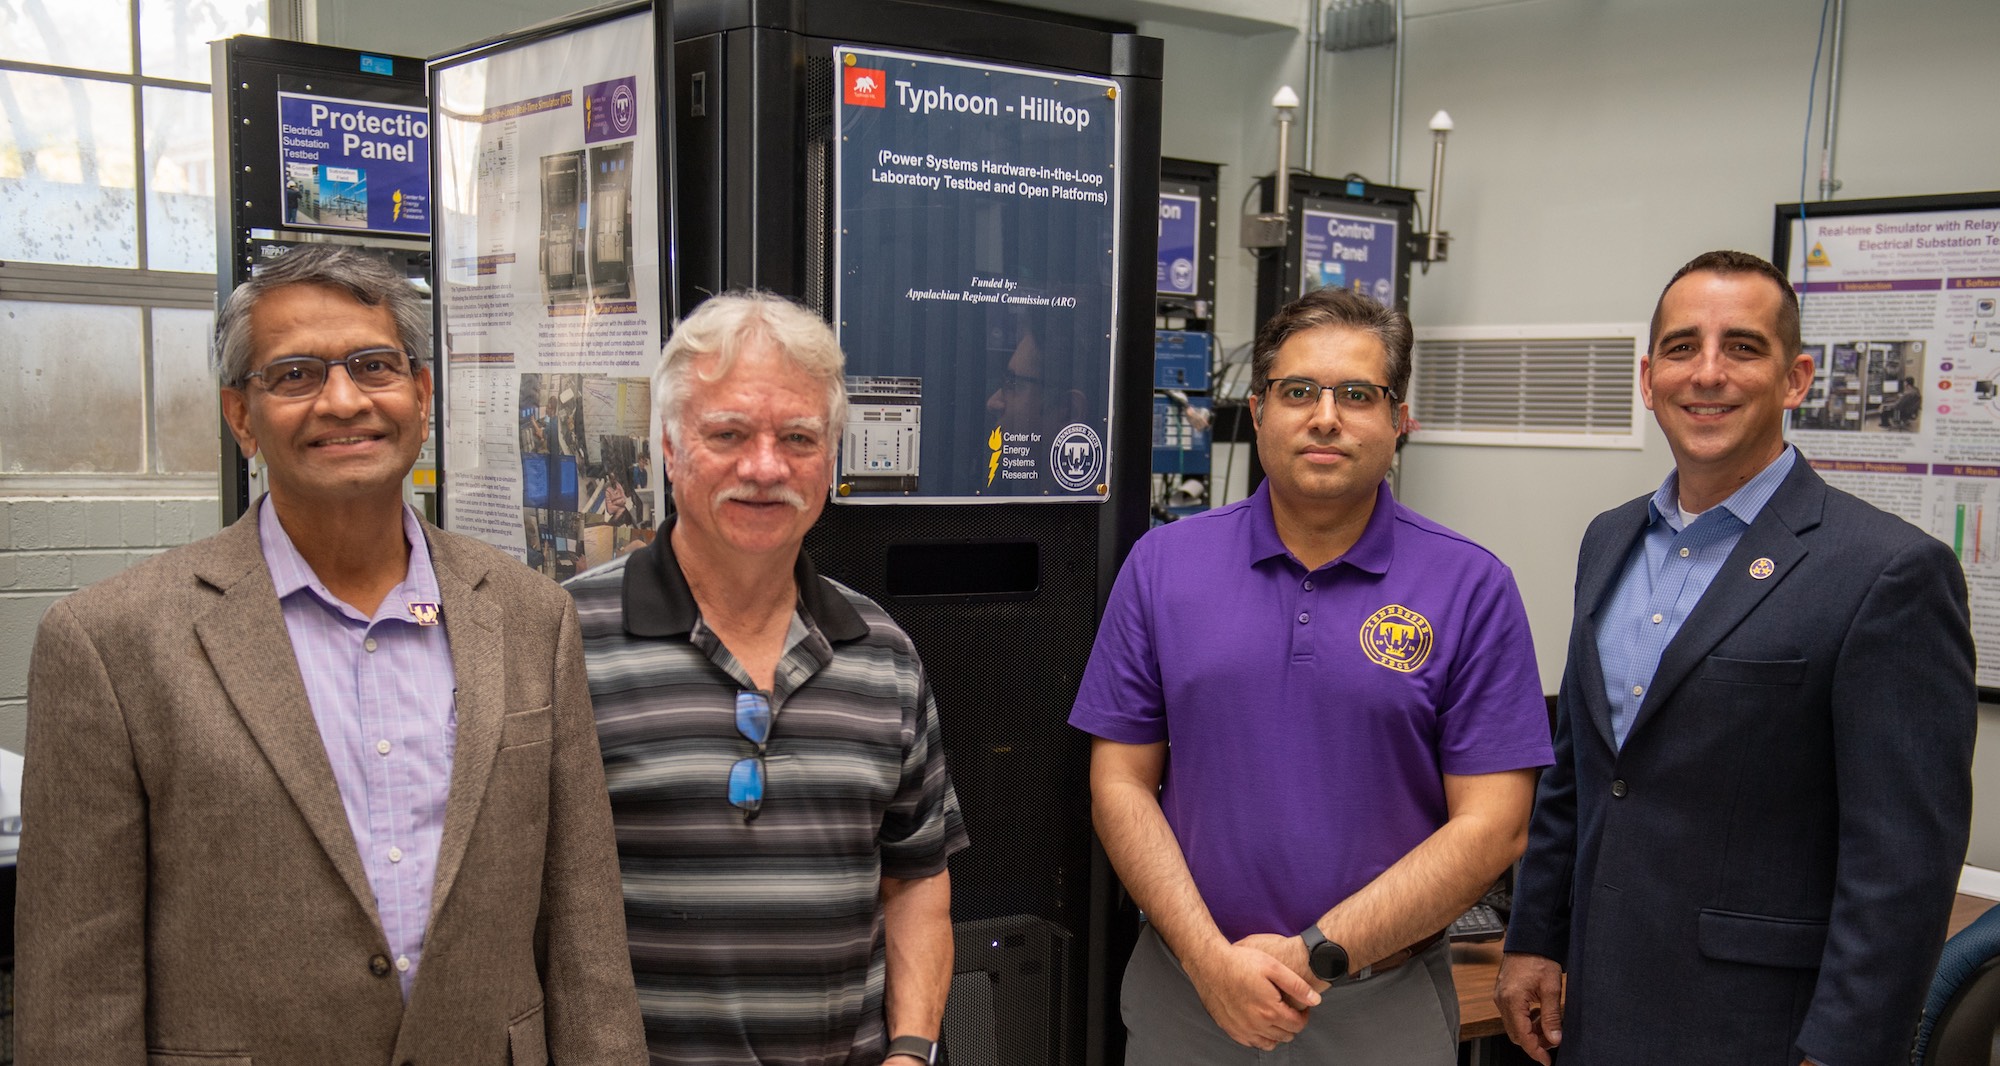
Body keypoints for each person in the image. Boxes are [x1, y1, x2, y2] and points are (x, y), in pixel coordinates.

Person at [16, 244, 646, 1063]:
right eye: (295, 375)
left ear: (420, 394)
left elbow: (583, 933)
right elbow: (77, 991)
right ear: (240, 416)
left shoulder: (530, 617)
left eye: (373, 365)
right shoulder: (111, 645)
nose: (343, 400)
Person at [1495, 250, 1976, 1066]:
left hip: (1758, 1028)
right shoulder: (1610, 538)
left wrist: (1844, 1051)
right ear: (1649, 378)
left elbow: (1900, 862)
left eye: (1743, 348)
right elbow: (1580, 772)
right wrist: (1535, 937)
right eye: (1682, 348)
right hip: (1598, 1006)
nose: (1707, 374)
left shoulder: (1887, 573)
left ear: (1796, 379)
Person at [1070, 285, 1553, 1064]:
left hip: (1376, 1010)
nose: (1325, 416)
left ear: (1400, 420)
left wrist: (1317, 954)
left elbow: (1494, 824)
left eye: (1358, 394)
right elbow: (1119, 783)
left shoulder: (1471, 586)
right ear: (1258, 410)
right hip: (1188, 999)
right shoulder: (1163, 566)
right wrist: (1209, 961)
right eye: (1298, 391)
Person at [570, 291, 970, 1066]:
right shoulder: (565, 639)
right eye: (728, 434)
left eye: (797, 437)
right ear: (670, 447)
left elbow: (916, 878)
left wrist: (912, 1052)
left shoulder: (882, 651)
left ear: (831, 457)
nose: (764, 467)